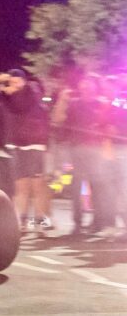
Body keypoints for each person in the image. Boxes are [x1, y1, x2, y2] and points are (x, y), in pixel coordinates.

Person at [52, 75, 113, 236]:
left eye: (88, 84)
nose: (85, 86)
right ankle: (77, 223)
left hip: (96, 149)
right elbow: (58, 120)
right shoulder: (73, 103)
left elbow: (108, 125)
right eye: (83, 83)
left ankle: (98, 222)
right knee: (76, 187)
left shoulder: (101, 103)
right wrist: (62, 100)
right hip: (76, 149)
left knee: (97, 187)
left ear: (95, 86)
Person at [0, 68, 51, 232]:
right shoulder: (8, 96)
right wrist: (2, 88)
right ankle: (21, 222)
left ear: (23, 80)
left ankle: (40, 221)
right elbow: (3, 106)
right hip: (17, 144)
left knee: (37, 185)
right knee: (21, 186)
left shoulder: (32, 89)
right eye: (11, 82)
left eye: (16, 81)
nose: (13, 85)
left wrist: (11, 91)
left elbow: (22, 106)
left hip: (34, 143)